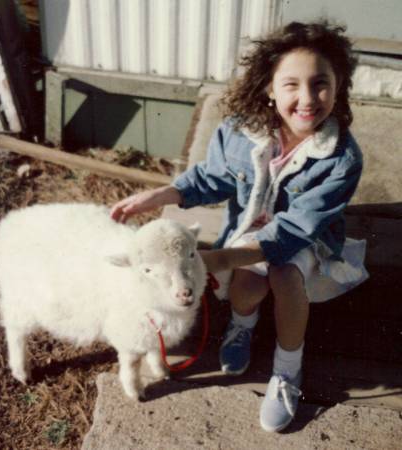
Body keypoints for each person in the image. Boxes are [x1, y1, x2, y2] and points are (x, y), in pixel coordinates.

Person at [110, 21, 368, 432]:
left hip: (305, 239)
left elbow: (292, 233)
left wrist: (215, 259)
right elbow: (210, 178)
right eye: (291, 85)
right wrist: (158, 196)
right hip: (248, 230)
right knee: (246, 288)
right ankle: (242, 326)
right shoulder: (238, 132)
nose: (306, 99)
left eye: (320, 84)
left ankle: (287, 368)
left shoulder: (341, 158)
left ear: (339, 85)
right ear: (269, 87)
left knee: (285, 274)